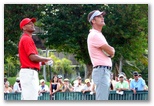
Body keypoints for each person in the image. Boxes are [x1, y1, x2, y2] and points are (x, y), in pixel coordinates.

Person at [18, 18, 52, 100]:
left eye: (32, 23)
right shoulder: (26, 38)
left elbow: (32, 60)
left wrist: (43, 62)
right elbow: (32, 57)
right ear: (23, 27)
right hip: (29, 73)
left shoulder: (26, 38)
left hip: (28, 72)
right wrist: (46, 59)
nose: (32, 24)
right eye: (29, 23)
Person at [87, 10, 115, 100]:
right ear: (93, 21)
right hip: (101, 70)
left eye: (102, 16)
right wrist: (112, 50)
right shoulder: (95, 35)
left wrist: (110, 51)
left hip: (102, 70)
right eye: (99, 16)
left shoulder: (97, 34)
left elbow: (109, 52)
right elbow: (111, 52)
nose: (102, 18)